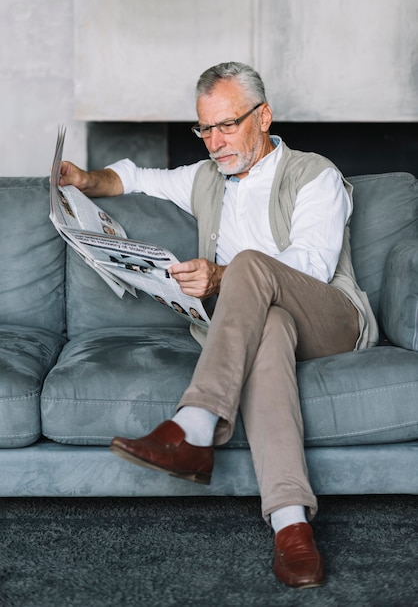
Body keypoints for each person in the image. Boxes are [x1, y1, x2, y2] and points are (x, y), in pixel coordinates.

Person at [59, 62, 378, 589]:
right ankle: (290, 525)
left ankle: (194, 424)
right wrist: (87, 180)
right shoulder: (209, 178)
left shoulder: (313, 173)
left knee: (252, 265)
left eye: (227, 125)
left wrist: (222, 277)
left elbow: (313, 268)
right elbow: (138, 177)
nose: (214, 141)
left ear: (264, 117)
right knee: (269, 328)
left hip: (331, 320)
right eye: (204, 128)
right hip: (262, 328)